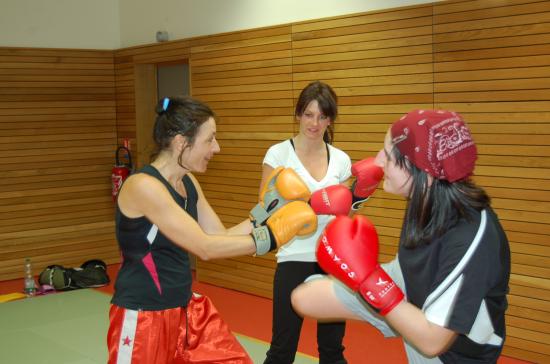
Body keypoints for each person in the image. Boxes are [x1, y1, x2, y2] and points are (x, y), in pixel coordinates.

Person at [107, 96, 318, 364]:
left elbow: (221, 236)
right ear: (182, 142)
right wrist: (272, 236)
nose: (216, 148)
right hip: (143, 317)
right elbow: (204, 247)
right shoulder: (144, 186)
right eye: (210, 139)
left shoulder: (189, 182)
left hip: (185, 312)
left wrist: (267, 210)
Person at [291, 109, 511, 363]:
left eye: (390, 156)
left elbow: (433, 342)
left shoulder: (471, 235)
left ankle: (398, 314)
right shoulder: (425, 196)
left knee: (420, 334)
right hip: (410, 285)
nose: (378, 161)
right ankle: (397, 314)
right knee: (305, 296)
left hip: (451, 351)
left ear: (424, 174)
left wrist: (370, 281)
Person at [259, 81, 352, 364]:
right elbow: (264, 209)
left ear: (330, 119)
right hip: (293, 257)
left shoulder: (340, 159)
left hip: (331, 257)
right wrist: (306, 204)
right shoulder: (278, 154)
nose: (315, 122)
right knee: (282, 349)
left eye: (322, 116)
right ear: (298, 114)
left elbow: (346, 213)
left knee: (333, 349)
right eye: (309, 114)